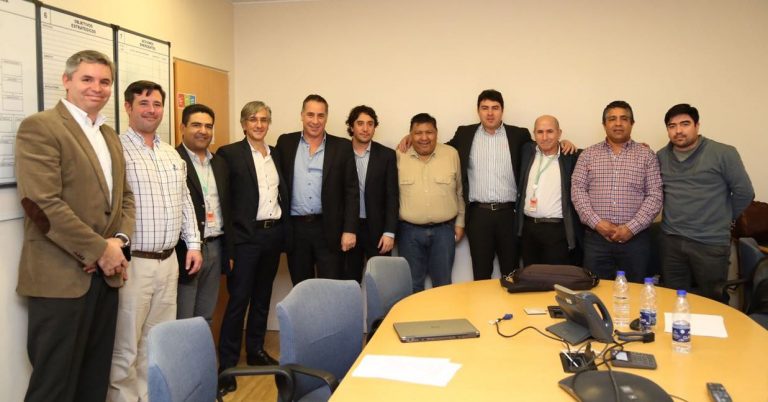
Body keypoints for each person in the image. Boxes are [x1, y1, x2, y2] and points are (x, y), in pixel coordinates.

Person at [15, 49, 134, 402]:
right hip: (61, 280)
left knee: (93, 382)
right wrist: (100, 250)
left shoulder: (109, 135)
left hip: (106, 277)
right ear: (66, 81)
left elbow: (125, 198)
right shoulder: (41, 127)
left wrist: (119, 242)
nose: (97, 87)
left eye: (105, 81)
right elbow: (41, 203)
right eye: (87, 79)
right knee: (53, 387)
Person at [397, 89, 575, 279]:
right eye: (485, 108)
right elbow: (439, 149)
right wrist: (411, 139)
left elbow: (543, 145)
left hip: (509, 215)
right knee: (481, 272)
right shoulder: (465, 133)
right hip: (478, 215)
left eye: (495, 108)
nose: (490, 113)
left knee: (512, 272)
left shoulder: (518, 134)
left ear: (502, 111)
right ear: (478, 111)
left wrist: (563, 142)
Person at [109, 81, 202, 402]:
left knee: (157, 340)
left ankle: (150, 396)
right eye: (144, 103)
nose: (151, 110)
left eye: (157, 104)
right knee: (126, 346)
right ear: (128, 107)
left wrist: (194, 244)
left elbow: (185, 200)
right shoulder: (116, 150)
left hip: (169, 261)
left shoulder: (170, 153)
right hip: (134, 262)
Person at [216, 101, 287, 395]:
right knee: (238, 301)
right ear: (244, 124)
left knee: (262, 297)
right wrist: (230, 247)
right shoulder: (229, 154)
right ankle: (227, 365)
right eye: (253, 119)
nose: (259, 124)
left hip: (272, 235)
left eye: (264, 119)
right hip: (245, 238)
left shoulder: (276, 154)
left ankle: (256, 351)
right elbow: (224, 202)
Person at [658, 103, 754, 301]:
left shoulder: (723, 153)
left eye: (685, 124)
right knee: (673, 299)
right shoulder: (661, 156)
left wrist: (725, 218)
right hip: (671, 240)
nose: (678, 130)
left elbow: (744, 192)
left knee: (712, 301)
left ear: (697, 125)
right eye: (672, 126)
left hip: (710, 242)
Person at [571, 100, 663, 283]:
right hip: (596, 240)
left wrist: (630, 228)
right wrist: (597, 223)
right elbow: (578, 191)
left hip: (635, 241)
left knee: (634, 292)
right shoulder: (588, 155)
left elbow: (655, 195)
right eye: (612, 119)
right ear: (604, 124)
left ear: (632, 123)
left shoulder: (647, 155)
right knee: (595, 289)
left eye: (624, 119)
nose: (618, 123)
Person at [274, 94, 359, 284]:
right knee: (301, 286)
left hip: (329, 229)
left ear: (326, 117)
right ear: (302, 115)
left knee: (330, 287)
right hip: (296, 230)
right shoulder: (286, 143)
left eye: (320, 115)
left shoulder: (342, 147)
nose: (315, 121)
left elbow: (352, 192)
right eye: (310, 115)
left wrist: (350, 230)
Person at [397, 113, 464, 292]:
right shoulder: (399, 155)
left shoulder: (451, 154)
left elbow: (460, 192)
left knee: (443, 287)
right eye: (418, 133)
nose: (424, 137)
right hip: (408, 233)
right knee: (411, 286)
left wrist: (460, 222)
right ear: (410, 135)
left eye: (429, 132)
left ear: (436, 133)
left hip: (444, 232)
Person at [175, 103, 229, 325]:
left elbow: (227, 207)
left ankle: (201, 350)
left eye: (208, 126)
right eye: (196, 125)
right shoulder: (173, 161)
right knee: (183, 318)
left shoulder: (220, 163)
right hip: (186, 250)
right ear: (182, 127)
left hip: (215, 246)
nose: (203, 131)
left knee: (206, 315)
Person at [516, 115, 583, 266]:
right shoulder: (527, 151)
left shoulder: (571, 157)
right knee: (530, 275)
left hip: (557, 231)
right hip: (529, 229)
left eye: (550, 131)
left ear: (559, 133)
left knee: (555, 276)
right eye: (540, 132)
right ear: (534, 134)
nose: (545, 137)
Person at [343, 105, 399, 282]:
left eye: (370, 124)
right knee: (349, 282)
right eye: (360, 123)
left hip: (378, 230)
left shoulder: (387, 155)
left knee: (382, 283)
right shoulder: (339, 153)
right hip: (348, 228)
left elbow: (392, 196)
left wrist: (389, 232)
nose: (365, 128)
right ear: (352, 126)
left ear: (375, 127)